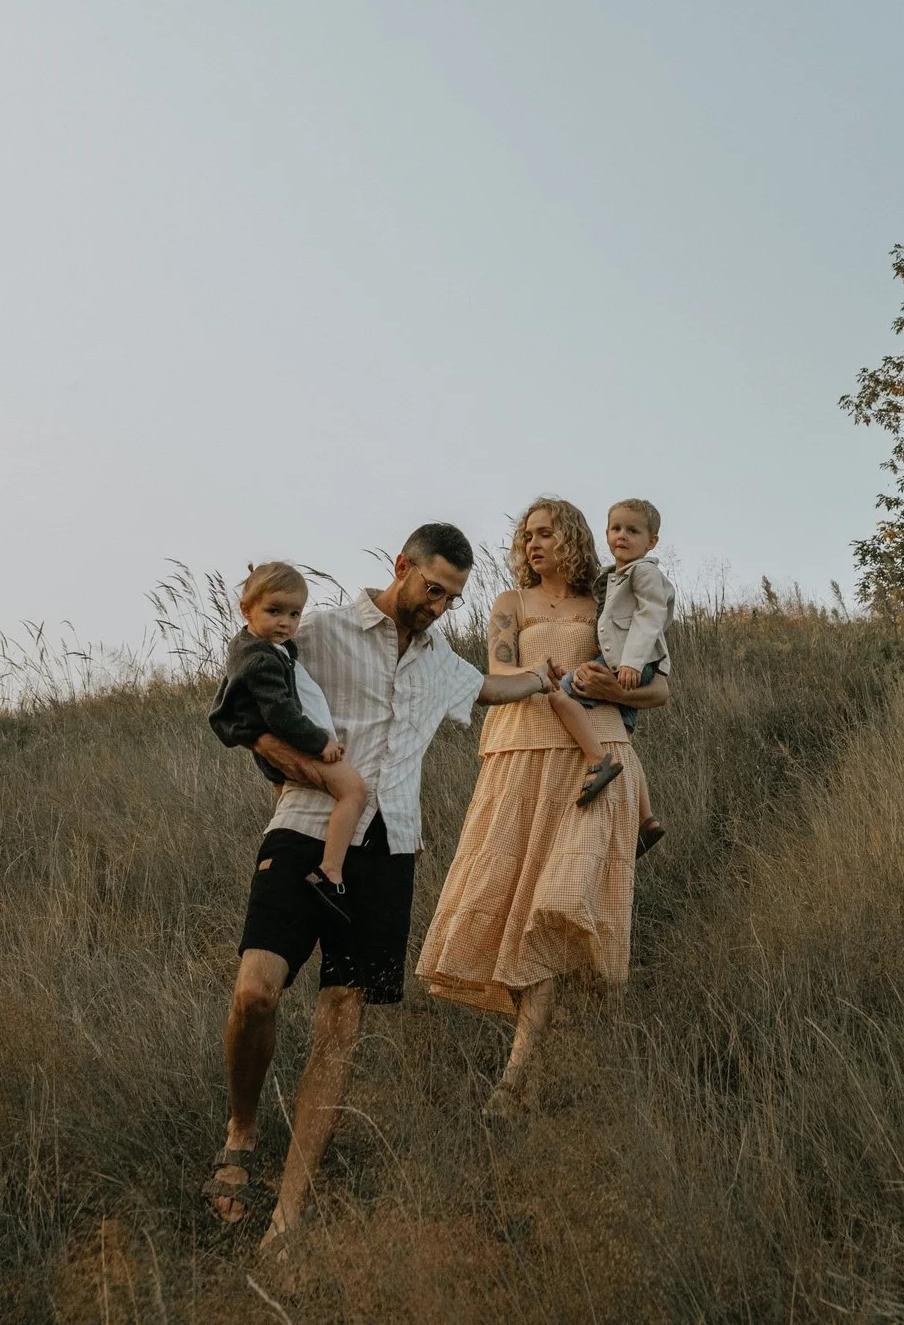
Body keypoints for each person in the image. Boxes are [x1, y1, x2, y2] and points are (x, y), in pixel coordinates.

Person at [203, 522, 564, 1250]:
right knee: (254, 992)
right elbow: (245, 703)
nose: (438, 606)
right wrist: (283, 759)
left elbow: (493, 686)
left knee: (340, 1023)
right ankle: (242, 1130)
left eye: (452, 597)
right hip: (306, 823)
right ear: (402, 566)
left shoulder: (441, 662)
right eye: (431, 588)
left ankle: (289, 1214)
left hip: (390, 849)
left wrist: (550, 677)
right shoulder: (322, 630)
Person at [414, 497, 669, 1119]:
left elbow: (660, 687)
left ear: (574, 537)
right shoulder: (512, 605)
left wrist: (613, 684)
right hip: (519, 757)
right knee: (513, 904)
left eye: (546, 533)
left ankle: (516, 1075)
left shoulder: (612, 599)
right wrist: (549, 675)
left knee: (555, 904)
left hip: (598, 759)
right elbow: (500, 673)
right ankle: (531, 1065)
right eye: (527, 535)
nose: (533, 544)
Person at [205, 562, 363, 921]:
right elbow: (279, 713)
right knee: (354, 791)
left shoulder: (261, 646)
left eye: (294, 614)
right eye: (274, 611)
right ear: (246, 610)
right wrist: (318, 743)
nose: (285, 623)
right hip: (299, 745)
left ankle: (292, 858)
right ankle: (330, 872)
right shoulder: (259, 657)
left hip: (284, 750)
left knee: (290, 808)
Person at [559, 498, 673, 851]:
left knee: (563, 689)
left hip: (630, 662)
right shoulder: (616, 574)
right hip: (626, 661)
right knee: (622, 737)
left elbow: (650, 618)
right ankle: (646, 820)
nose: (622, 536)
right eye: (615, 528)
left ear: (651, 541)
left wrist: (631, 664)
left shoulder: (644, 572)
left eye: (633, 530)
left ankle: (597, 763)